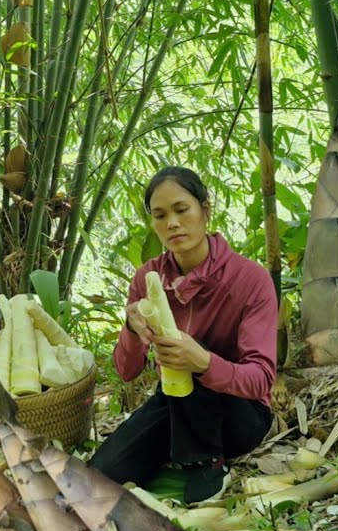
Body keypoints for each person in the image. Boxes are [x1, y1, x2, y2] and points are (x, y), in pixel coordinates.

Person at [87, 166, 277, 504]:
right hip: (175, 404)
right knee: (99, 478)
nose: (171, 223)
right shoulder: (148, 278)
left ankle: (207, 462)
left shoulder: (250, 279)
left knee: (189, 346)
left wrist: (203, 361)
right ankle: (180, 449)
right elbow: (126, 371)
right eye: (160, 216)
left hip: (240, 417)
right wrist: (132, 328)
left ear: (205, 211)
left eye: (181, 209)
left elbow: (261, 380)